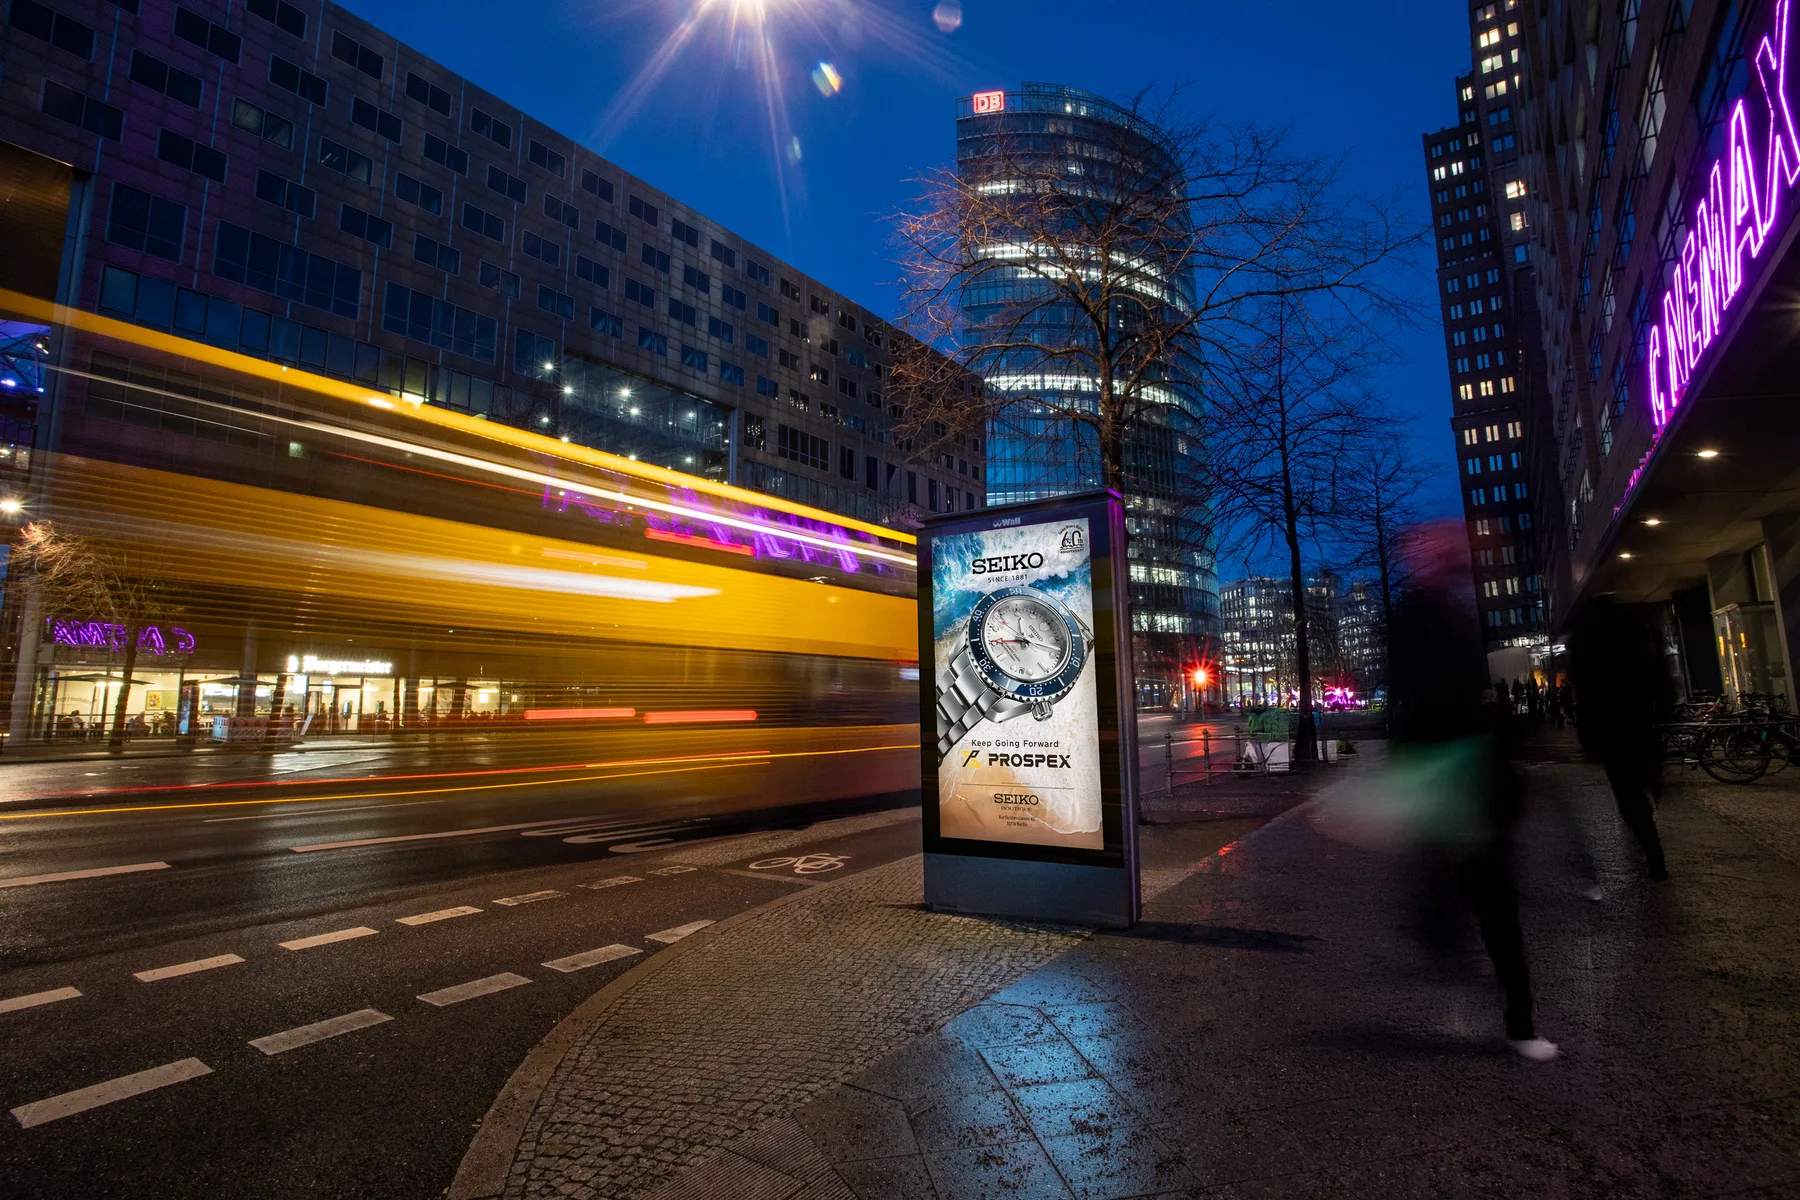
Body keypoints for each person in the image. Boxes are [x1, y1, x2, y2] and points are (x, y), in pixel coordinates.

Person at [1388, 521, 1556, 1062]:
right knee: (1482, 889)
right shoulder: (1426, 615)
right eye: (1440, 545)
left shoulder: (1440, 611)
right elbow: (1425, 700)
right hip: (1456, 773)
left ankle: (1517, 1014)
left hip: (1461, 773)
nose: (1456, 551)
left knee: (1477, 886)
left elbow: (1422, 703)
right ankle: (1516, 1017)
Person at [1568, 598, 1670, 881]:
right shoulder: (1637, 636)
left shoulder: (1585, 644)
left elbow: (1584, 693)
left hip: (1610, 729)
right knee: (1640, 783)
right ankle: (1648, 832)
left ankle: (1648, 844)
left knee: (1627, 792)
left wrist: (1588, 736)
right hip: (1639, 723)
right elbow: (1659, 678)